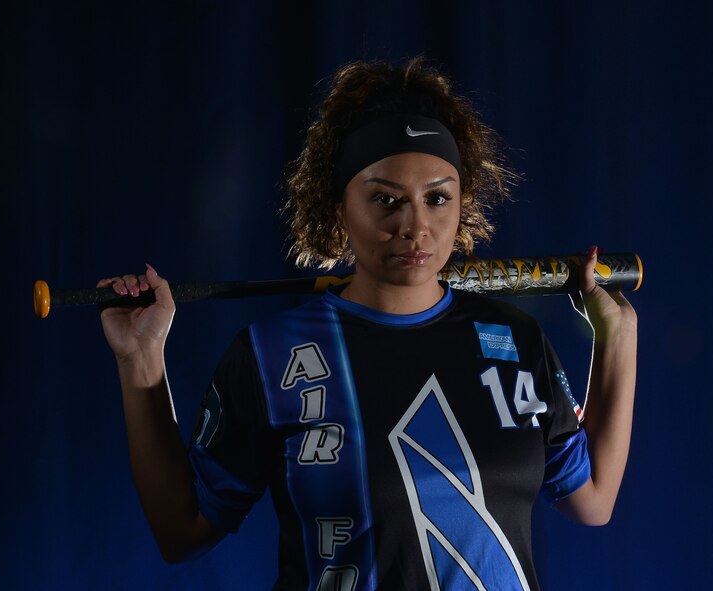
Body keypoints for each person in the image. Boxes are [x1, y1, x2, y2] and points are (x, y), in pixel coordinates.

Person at [97, 57, 637, 591]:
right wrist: (138, 359)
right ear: (339, 209)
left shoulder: (518, 341)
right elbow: (181, 532)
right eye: (386, 200)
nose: (415, 226)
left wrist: (617, 336)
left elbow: (591, 500)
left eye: (437, 198)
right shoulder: (271, 355)